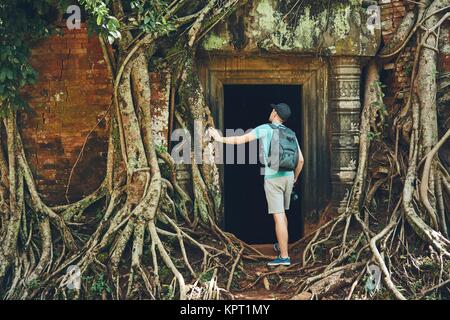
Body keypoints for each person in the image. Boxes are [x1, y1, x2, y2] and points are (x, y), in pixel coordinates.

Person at [209, 103, 304, 266]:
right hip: (288, 177)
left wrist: (218, 138)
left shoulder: (266, 129)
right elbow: (300, 160)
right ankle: (282, 246)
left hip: (273, 178)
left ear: (274, 113)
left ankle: (284, 257)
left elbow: (240, 139)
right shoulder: (291, 133)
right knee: (283, 213)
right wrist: (295, 177)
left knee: (278, 215)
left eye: (272, 109)